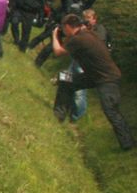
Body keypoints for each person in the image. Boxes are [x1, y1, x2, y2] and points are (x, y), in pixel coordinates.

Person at [51, 14, 133, 150]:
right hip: (94, 76)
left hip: (107, 78)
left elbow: (58, 52)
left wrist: (54, 36)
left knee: (111, 110)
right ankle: (58, 116)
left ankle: (128, 144)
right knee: (65, 79)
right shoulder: (86, 34)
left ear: (67, 27)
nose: (63, 31)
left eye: (63, 28)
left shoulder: (78, 39)